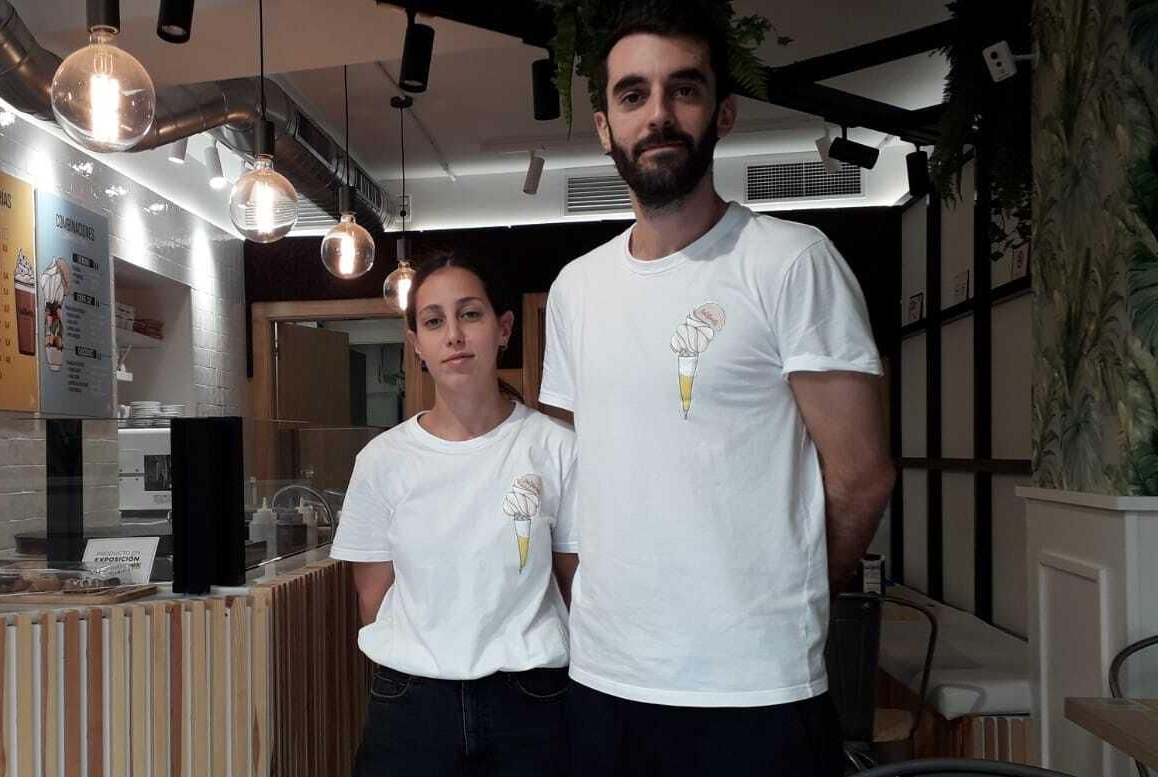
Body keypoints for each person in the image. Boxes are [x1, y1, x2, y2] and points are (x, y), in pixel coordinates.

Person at [538, 4, 897, 776]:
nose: (658, 114)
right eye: (633, 95)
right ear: (604, 125)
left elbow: (862, 474)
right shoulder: (575, 289)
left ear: (722, 112)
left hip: (756, 686)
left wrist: (785, 602)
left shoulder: (792, 262)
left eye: (684, 90)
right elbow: (569, 474)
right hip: (604, 679)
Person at [331, 253, 580, 777]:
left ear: (503, 328)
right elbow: (373, 600)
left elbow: (574, 585)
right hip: (411, 706)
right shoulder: (383, 461)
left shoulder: (556, 448)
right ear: (416, 344)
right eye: (434, 321)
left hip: (532, 702)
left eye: (470, 314)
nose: (454, 336)